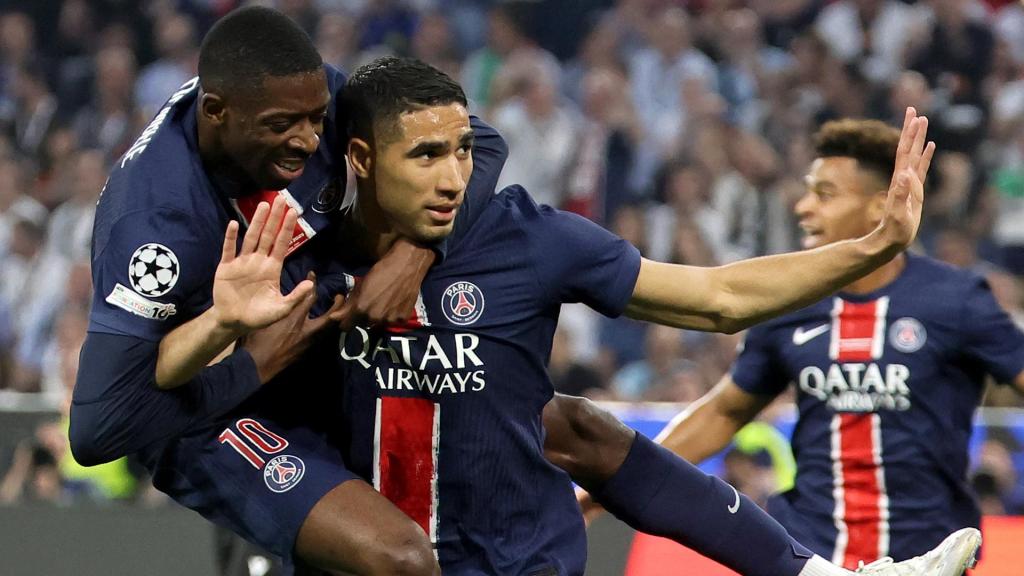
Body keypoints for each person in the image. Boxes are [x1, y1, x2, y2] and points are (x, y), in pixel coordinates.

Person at [256, 56, 977, 576]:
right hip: (366, 556)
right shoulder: (300, 262)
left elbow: (720, 298)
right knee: (571, 425)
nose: (452, 178)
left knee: (577, 425)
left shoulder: (530, 238)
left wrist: (874, 246)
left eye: (463, 152)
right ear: (360, 157)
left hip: (521, 562)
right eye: (424, 156)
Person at [69, 7, 509, 575]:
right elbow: (98, 429)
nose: (307, 141)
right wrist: (244, 361)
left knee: (537, 423)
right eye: (283, 126)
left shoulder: (309, 94)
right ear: (216, 113)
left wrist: (416, 253)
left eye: (316, 120)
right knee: (401, 558)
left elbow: (483, 145)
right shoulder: (156, 228)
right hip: (216, 411)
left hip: (315, 344)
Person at [584, 119, 1024, 570]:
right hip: (810, 554)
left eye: (825, 194)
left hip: (933, 555)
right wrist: (613, 484)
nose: (803, 207)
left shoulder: (958, 300)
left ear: (880, 207)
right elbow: (723, 411)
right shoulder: (788, 302)